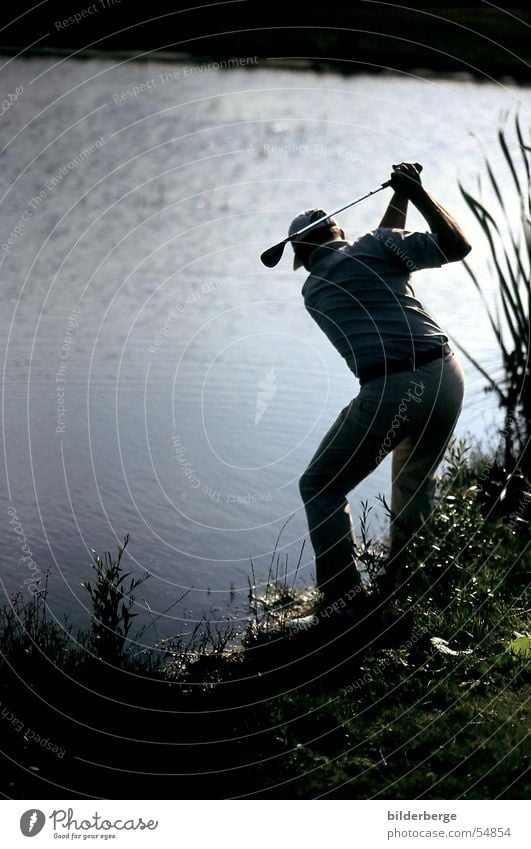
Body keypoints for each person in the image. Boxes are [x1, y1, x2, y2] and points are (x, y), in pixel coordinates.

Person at [290, 162, 471, 624]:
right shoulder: (375, 251)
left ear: (301, 256)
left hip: (393, 387)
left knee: (321, 486)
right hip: (445, 375)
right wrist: (417, 192)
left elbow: (382, 244)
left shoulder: (314, 289)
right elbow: (457, 245)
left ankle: (342, 607)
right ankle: (412, 595)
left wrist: (405, 196)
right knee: (414, 485)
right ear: (340, 233)